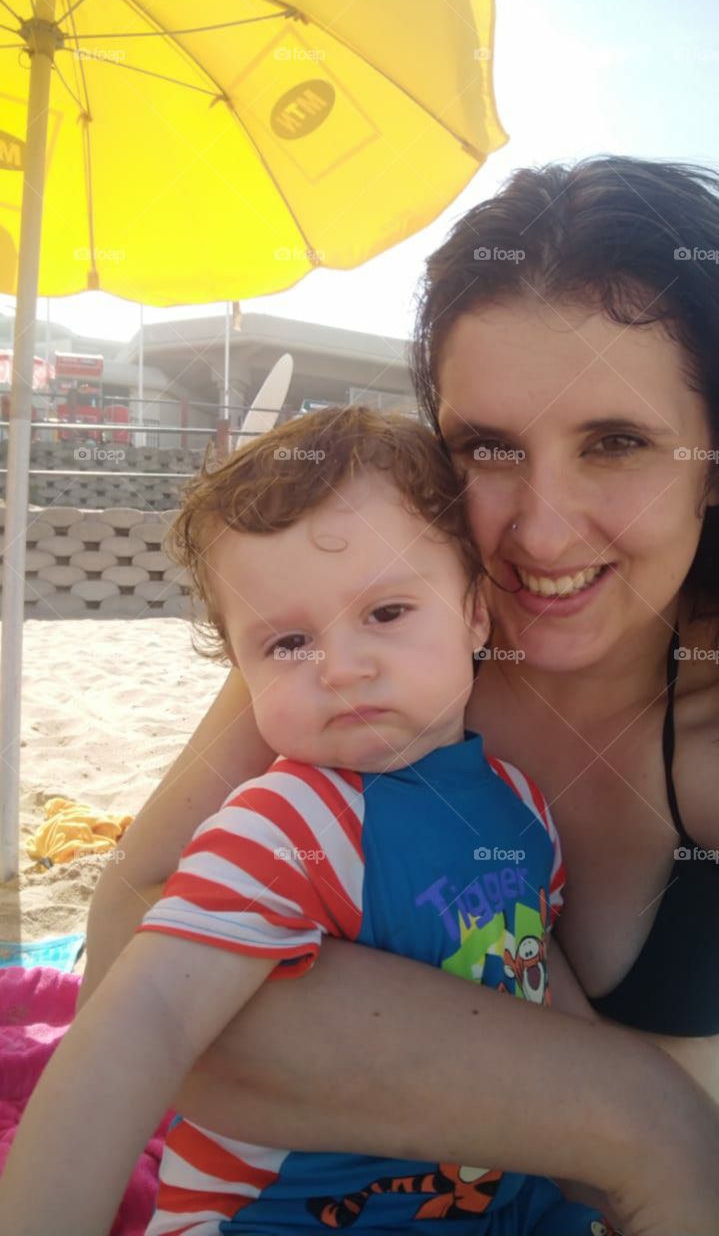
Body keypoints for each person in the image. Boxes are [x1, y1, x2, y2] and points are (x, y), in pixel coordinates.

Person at [78, 156, 719, 1233]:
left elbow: (170, 1008)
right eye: (486, 447)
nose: (542, 529)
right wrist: (632, 1108)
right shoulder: (375, 648)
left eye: (614, 443)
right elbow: (117, 951)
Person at [1, 407, 626, 1236]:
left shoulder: (521, 806)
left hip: (489, 1198)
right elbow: (140, 1022)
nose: (341, 666)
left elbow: (540, 979)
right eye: (287, 642)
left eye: (387, 613)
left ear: (475, 615)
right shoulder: (285, 823)